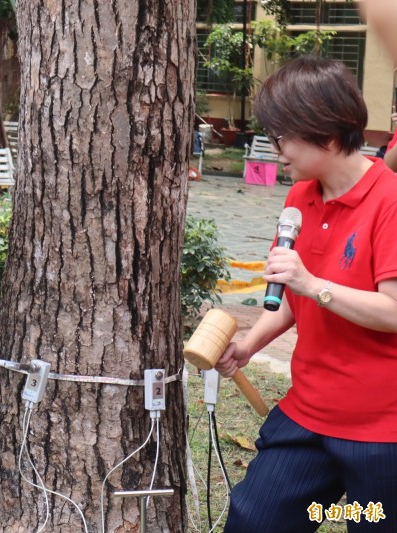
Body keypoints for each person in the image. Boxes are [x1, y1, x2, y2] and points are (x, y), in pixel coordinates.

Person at [216, 56, 397, 532]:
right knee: (256, 520)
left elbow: (394, 312)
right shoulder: (300, 197)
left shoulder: (390, 202)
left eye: (282, 137)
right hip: (307, 413)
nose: (277, 151)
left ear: (330, 135)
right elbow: (291, 299)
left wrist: (314, 284)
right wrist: (248, 346)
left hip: (383, 429)